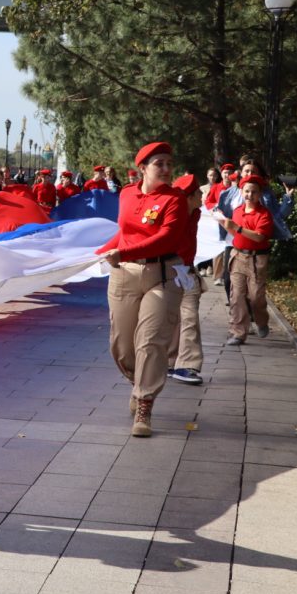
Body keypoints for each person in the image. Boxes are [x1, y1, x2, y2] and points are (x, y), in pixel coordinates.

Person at [96, 142, 185, 438]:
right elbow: (124, 232)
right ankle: (138, 384)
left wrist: (122, 253)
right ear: (142, 168)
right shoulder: (126, 194)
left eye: (169, 163)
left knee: (151, 340)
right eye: (159, 163)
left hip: (161, 275)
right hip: (124, 275)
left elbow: (166, 238)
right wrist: (99, 252)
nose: (166, 169)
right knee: (122, 345)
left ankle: (145, 402)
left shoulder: (175, 199)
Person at [218, 175, 275, 346]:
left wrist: (238, 228)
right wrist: (225, 224)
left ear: (260, 194)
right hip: (238, 256)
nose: (250, 195)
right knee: (237, 296)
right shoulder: (237, 211)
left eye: (254, 192)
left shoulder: (264, 214)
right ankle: (238, 332)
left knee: (256, 297)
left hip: (257, 259)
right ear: (241, 192)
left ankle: (262, 321)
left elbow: (259, 237)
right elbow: (236, 233)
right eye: (247, 191)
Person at [167, 174, 205, 385]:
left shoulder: (196, 213)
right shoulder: (173, 216)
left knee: (189, 317)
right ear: (189, 197)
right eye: (198, 192)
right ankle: (170, 363)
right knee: (172, 320)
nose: (202, 195)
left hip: (187, 273)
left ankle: (186, 364)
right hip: (169, 272)